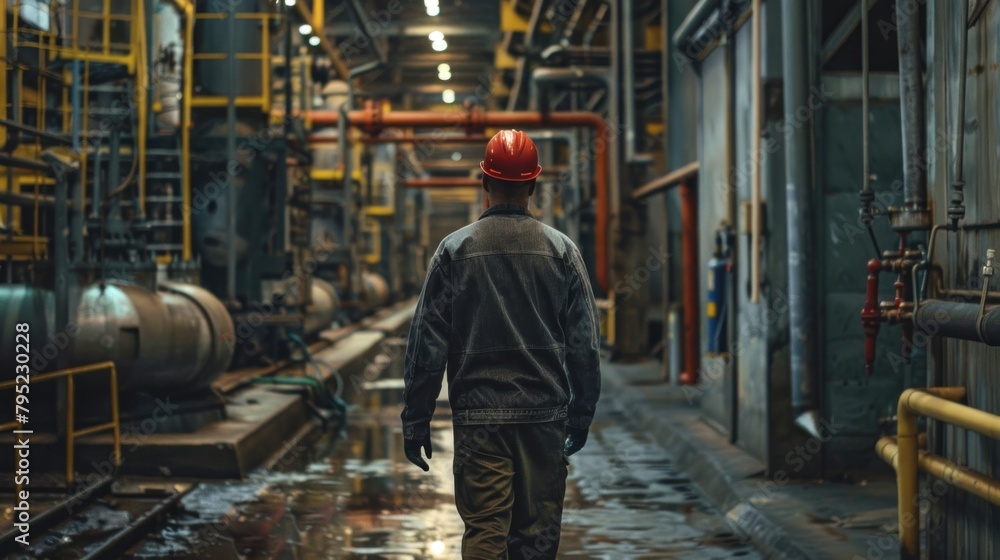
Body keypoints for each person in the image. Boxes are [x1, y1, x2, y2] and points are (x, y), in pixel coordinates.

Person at [401, 129, 602, 559]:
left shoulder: (453, 251)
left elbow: (426, 347)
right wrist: (581, 413)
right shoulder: (561, 251)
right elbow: (584, 344)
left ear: (484, 183)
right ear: (532, 185)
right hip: (543, 418)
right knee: (535, 539)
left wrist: (415, 418)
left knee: (486, 532)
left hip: (479, 419)